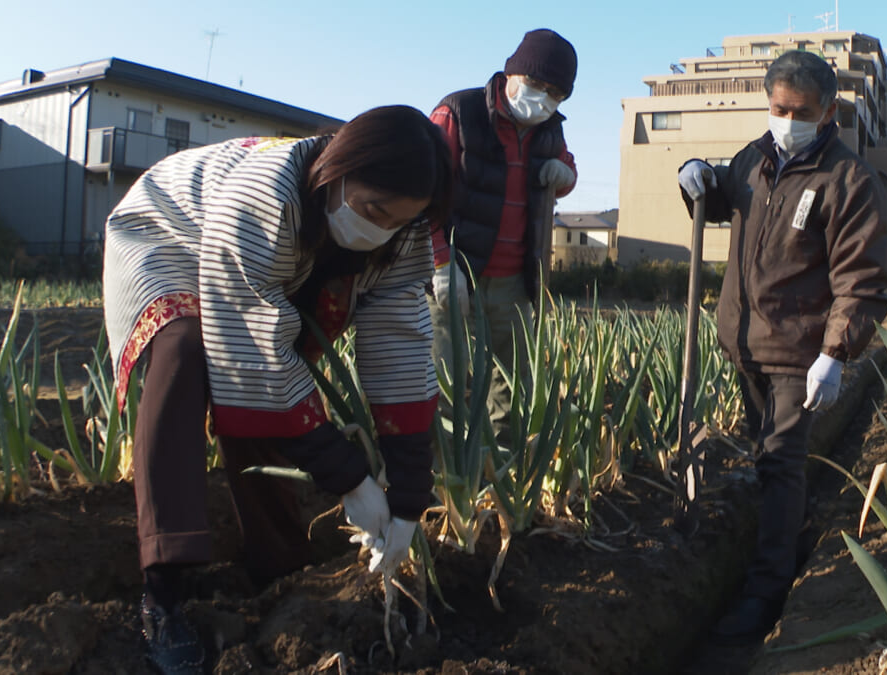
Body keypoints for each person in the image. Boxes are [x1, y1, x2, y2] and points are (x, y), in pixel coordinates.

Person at [102, 105, 452, 674]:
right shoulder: (266, 194)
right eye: (372, 210)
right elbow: (254, 353)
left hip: (275, 260)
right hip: (170, 232)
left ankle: (278, 566)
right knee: (188, 352)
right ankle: (163, 589)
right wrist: (350, 480)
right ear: (338, 171)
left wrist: (410, 493)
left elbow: (402, 345)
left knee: (271, 399)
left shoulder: (401, 232)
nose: (381, 228)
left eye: (398, 219)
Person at [676, 50, 887, 644]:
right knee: (766, 457)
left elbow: (862, 281)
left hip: (800, 352)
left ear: (827, 113)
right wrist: (697, 176)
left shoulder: (847, 180)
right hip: (745, 338)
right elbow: (721, 200)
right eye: (778, 108)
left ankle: (767, 591)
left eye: (800, 111)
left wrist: (836, 353)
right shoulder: (755, 157)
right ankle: (786, 542)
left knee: (779, 462)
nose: (787, 119)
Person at [427, 28, 578, 444]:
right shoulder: (458, 112)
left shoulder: (549, 128)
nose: (543, 99)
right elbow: (423, 192)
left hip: (514, 283)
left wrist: (565, 176)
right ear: (512, 73)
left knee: (510, 388)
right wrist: (440, 263)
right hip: (457, 275)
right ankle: (440, 489)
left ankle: (499, 479)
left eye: (556, 94)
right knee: (444, 384)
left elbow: (565, 167)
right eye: (536, 85)